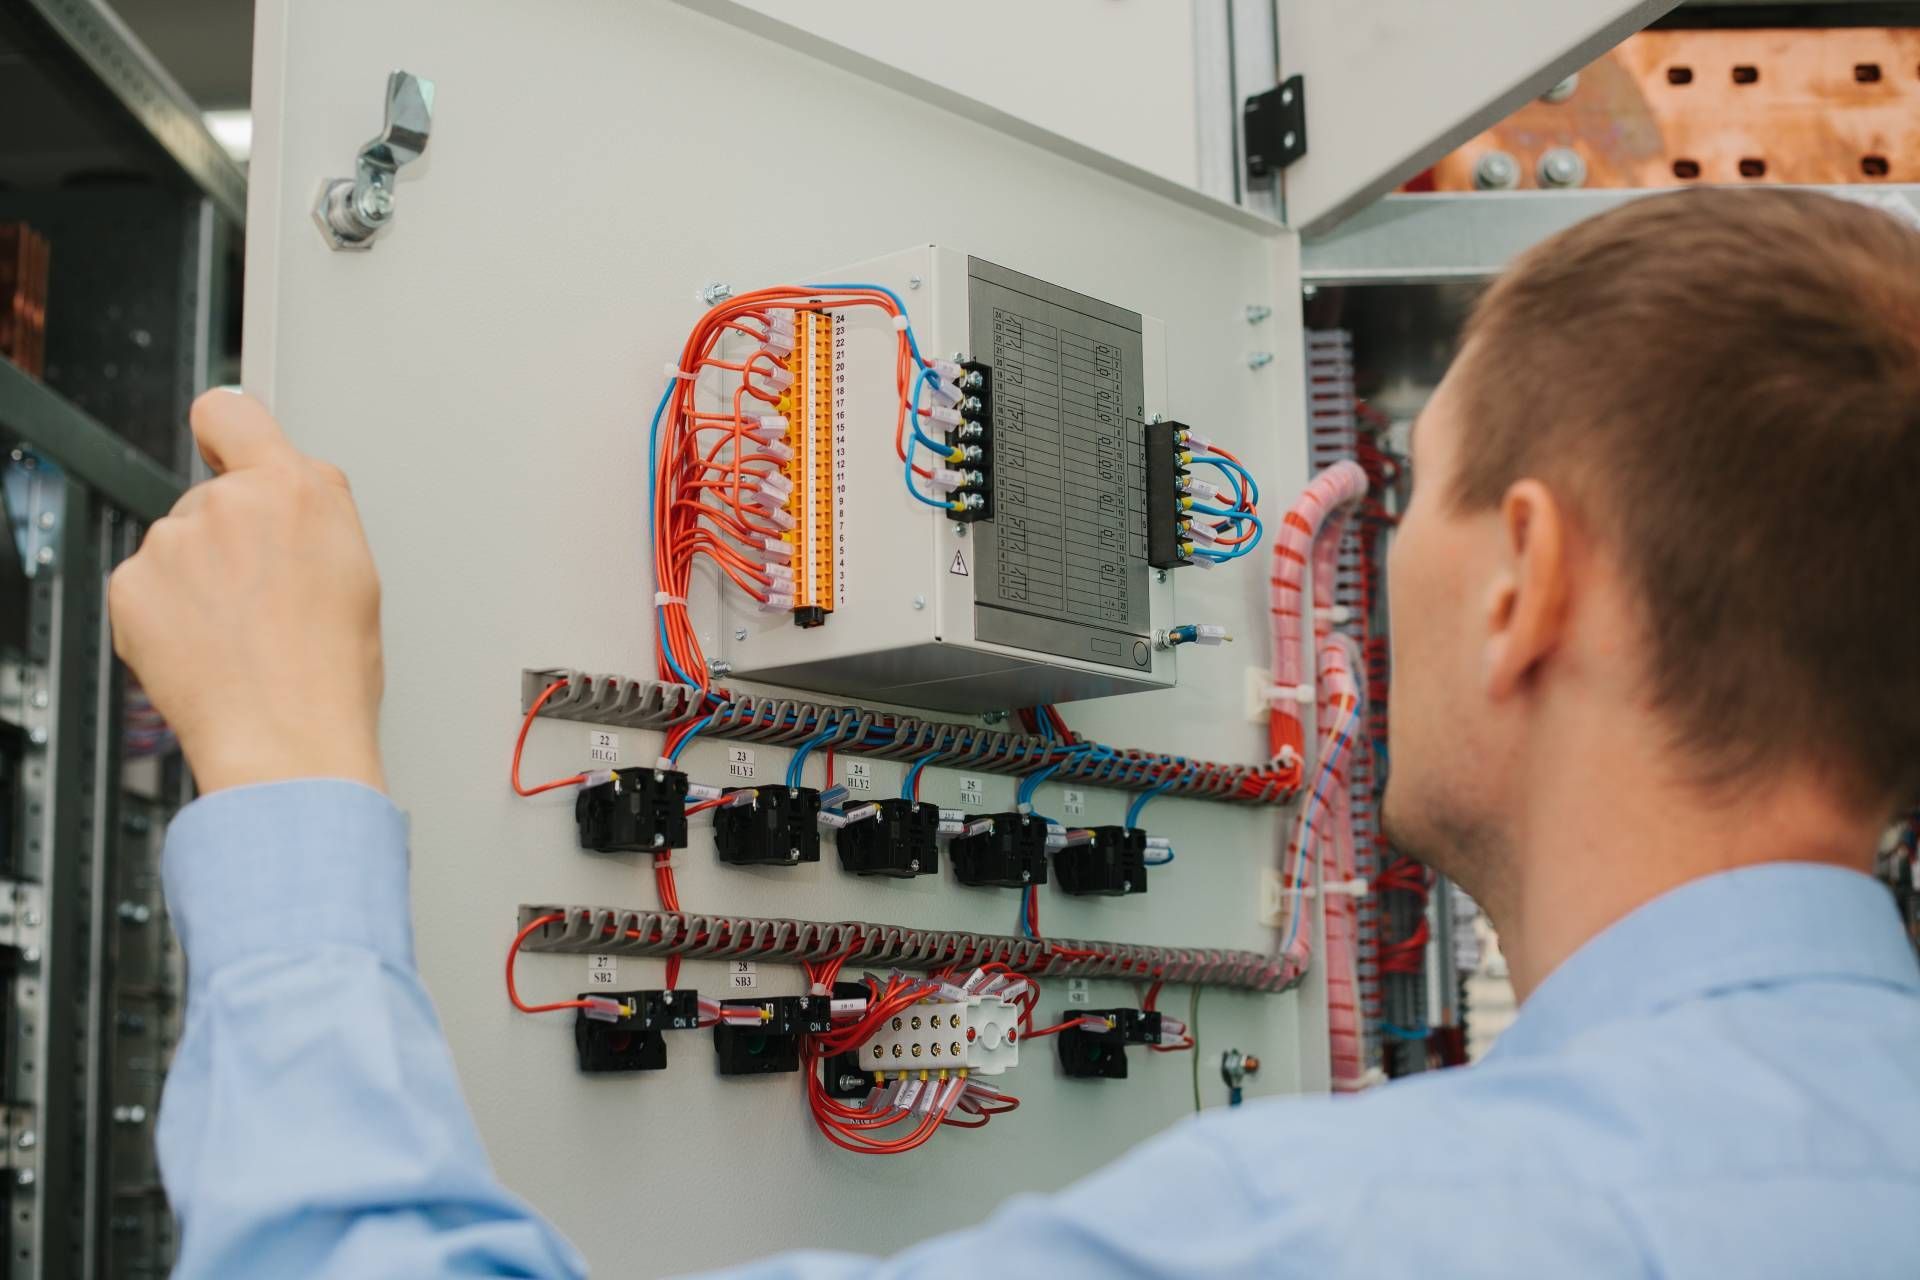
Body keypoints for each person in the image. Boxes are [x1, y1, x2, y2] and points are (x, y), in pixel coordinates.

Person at [111, 187, 1920, 1278]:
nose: (1375, 580)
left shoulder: (1382, 1235)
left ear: (1525, 580)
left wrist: (285, 773)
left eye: (1407, 506)